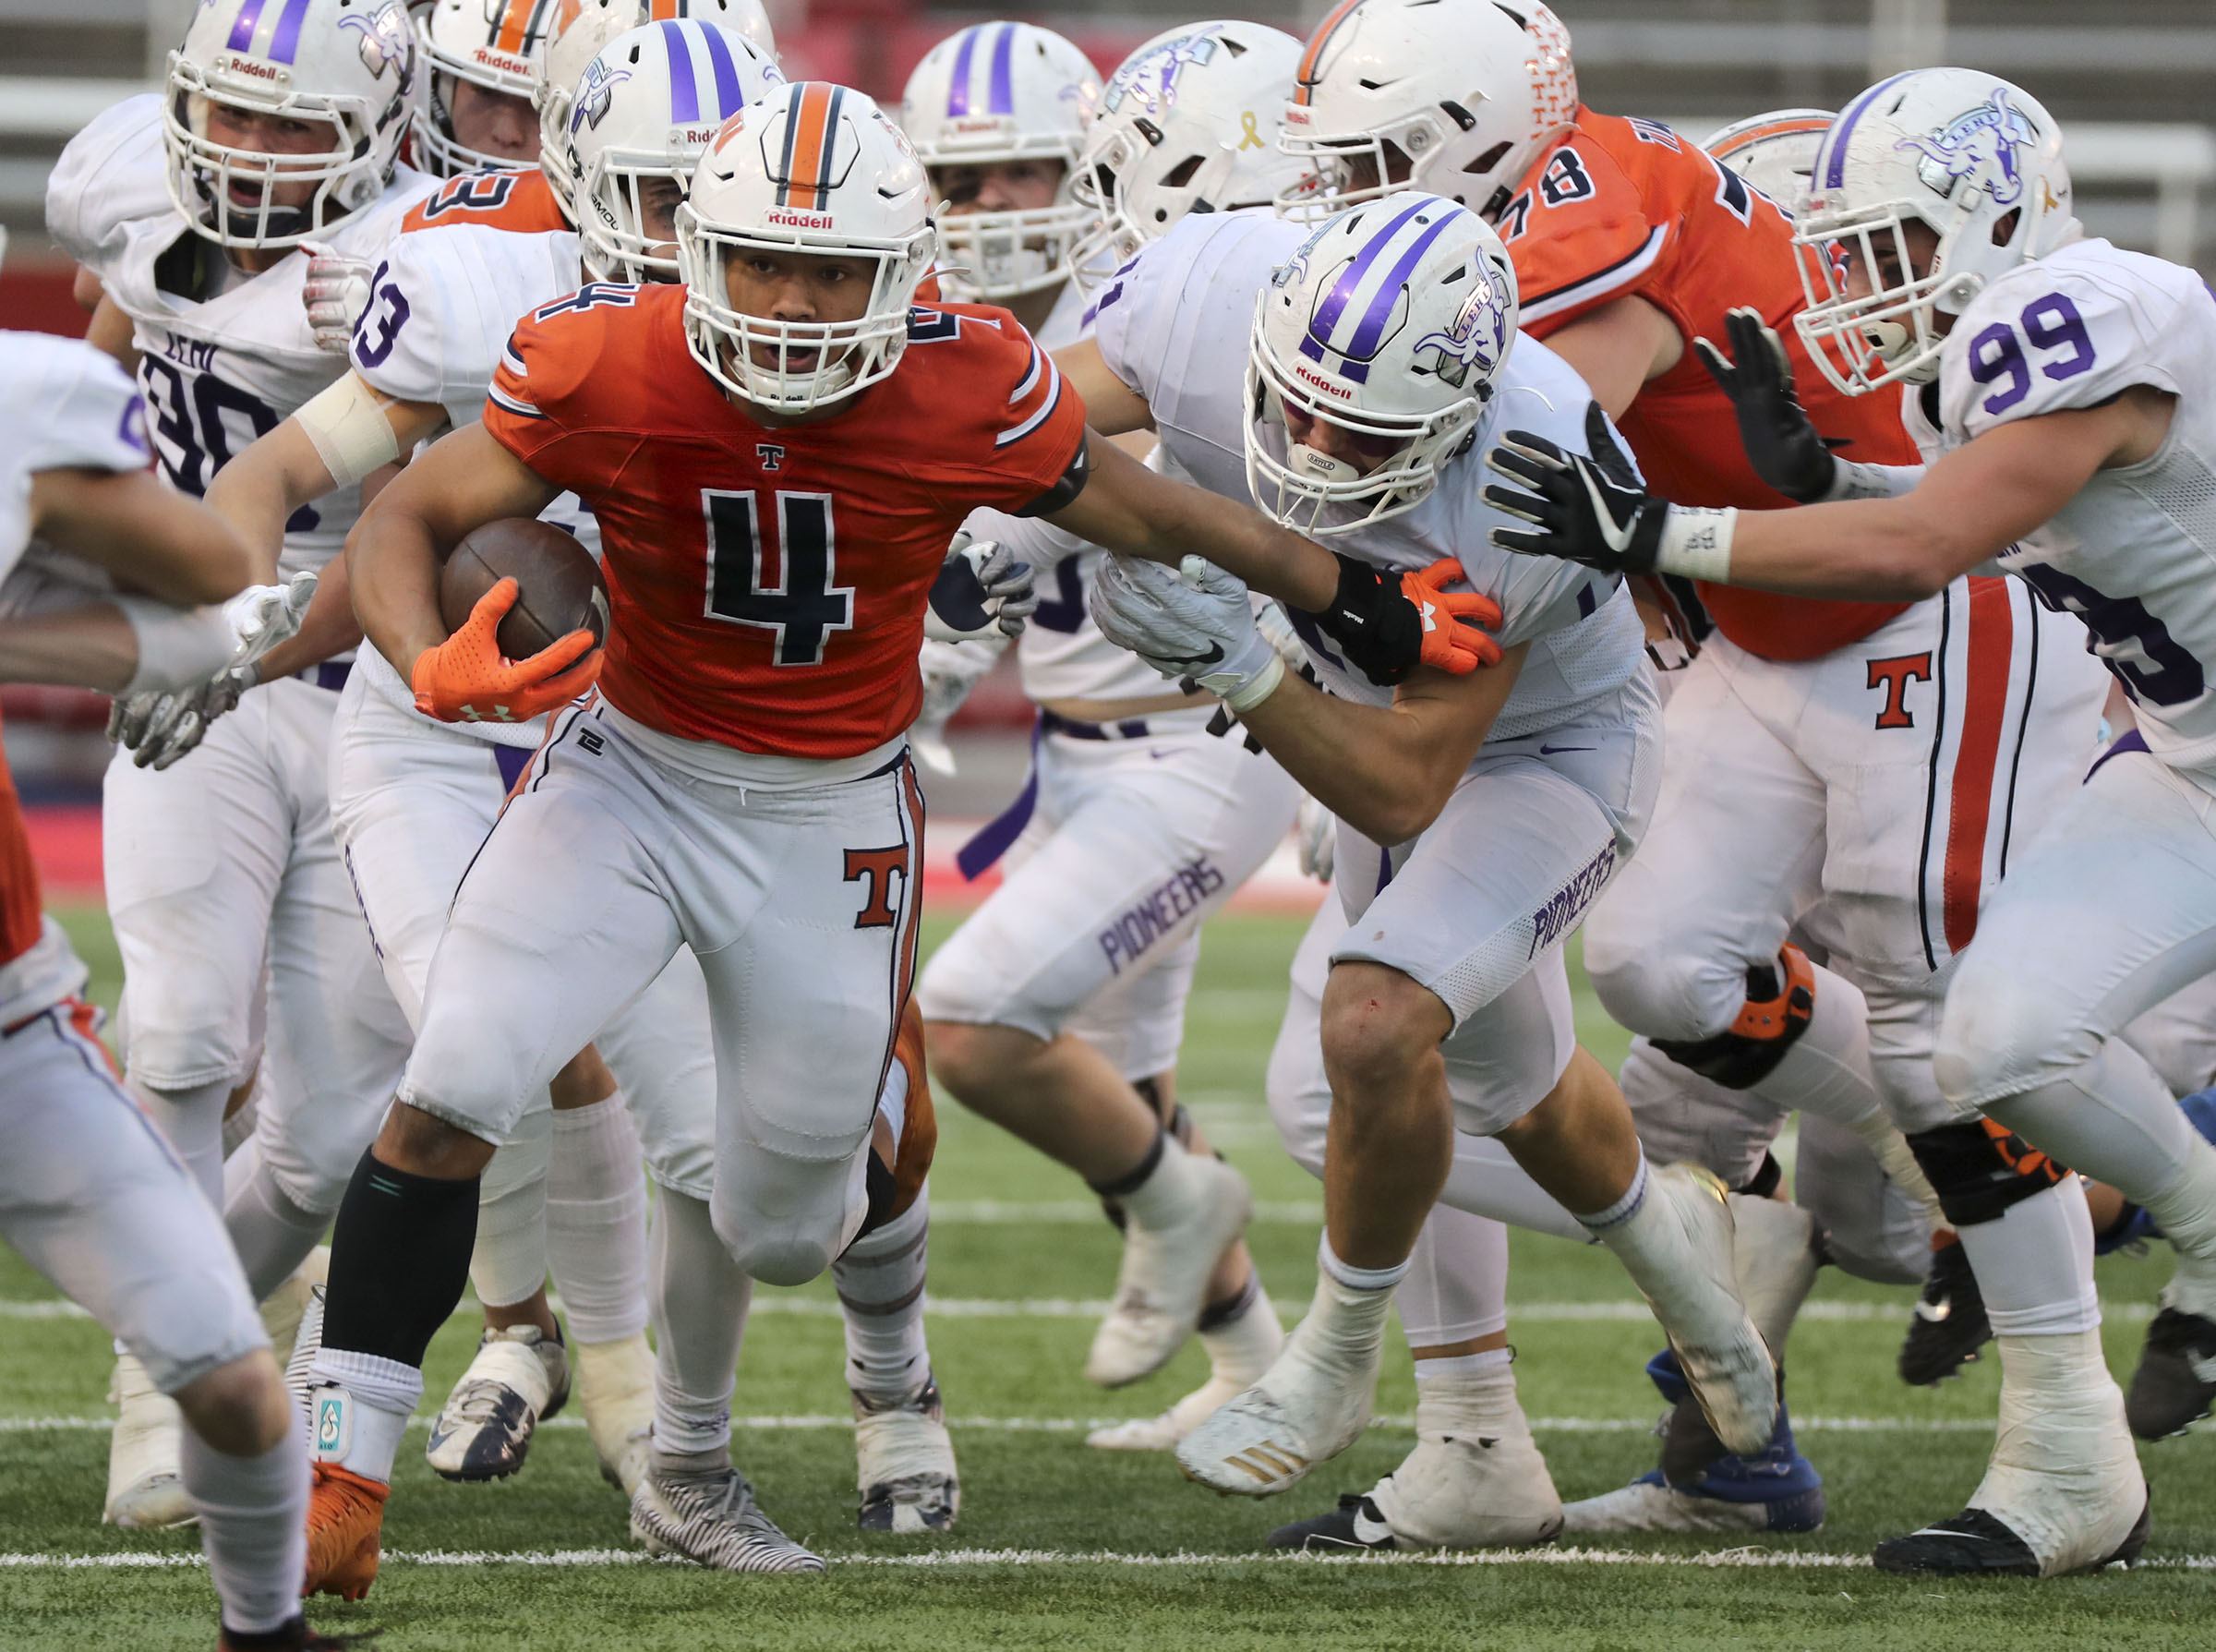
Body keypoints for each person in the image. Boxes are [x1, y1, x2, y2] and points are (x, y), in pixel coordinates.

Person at [298, 77, 1487, 1597]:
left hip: (830, 808)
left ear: (903, 273)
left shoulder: (965, 377)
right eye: (759, 262)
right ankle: (337, 1483)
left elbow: (1141, 509)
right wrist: (425, 659)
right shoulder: (608, 357)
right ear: (697, 252)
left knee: (786, 1224)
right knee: (454, 1079)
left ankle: (718, 1435)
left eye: (831, 271)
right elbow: (405, 514)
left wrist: (1355, 593)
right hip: (629, 777)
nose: (791, 306)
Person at [1281, 0, 2116, 1537]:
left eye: (1367, 160)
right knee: (1659, 963)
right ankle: (1896, 1183)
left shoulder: (1592, 209)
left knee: (1942, 1024)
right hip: (1752, 627)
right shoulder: (1529, 204)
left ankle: (2072, 1438)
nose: (1338, 193)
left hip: (1925, 608)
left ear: (1475, 135)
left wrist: (1310, 628)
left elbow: (1512, 462)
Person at [1481, 66, 2216, 1577]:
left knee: (1946, 1024)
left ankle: (2099, 1385)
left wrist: (1663, 526)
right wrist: (1829, 471)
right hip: (2185, 763)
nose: (1858, 286)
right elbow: (1968, 501)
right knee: (1986, 1047)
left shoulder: (2088, 309)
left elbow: (1931, 541)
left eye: (1891, 246)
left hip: (2097, 713)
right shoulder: (1989, 363)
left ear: (2000, 212)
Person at [1049, 185, 1777, 1513]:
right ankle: (1674, 1247)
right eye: (1297, 404)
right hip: (1360, 698)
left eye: (1368, 431)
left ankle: (1335, 1357)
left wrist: (1239, 663)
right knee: (1526, 1098)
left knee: (1374, 1021)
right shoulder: (1207, 289)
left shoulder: (1534, 470)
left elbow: (1404, 789)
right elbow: (1028, 429)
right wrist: (995, 535)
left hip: (1545, 753)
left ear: (1463, 411)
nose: (1318, 447)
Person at [42, 0, 433, 1528]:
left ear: (375, 136)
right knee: (182, 1030)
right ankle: (159, 1391)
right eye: (231, 114)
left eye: (290, 125)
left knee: (326, 1136)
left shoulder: (415, 254)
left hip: (362, 686)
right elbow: (111, 349)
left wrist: (233, 637)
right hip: (196, 670)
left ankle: (194, 1332)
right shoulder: (125, 179)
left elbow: (434, 513)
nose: (249, 152)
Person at [905, 17, 1304, 1450]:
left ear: (1086, 172)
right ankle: (1254, 1361)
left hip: (1207, 736)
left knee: (979, 1021)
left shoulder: (1146, 304)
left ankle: (1188, 1205)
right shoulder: (929, 317)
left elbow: (1128, 490)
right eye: (959, 180)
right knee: (1119, 1094)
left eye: (1020, 172)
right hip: (1076, 748)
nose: (990, 207)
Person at [0, 327, 338, 1652]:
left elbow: (209, 585)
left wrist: (38, 632)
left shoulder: (19, 404)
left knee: (238, 1389)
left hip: (12, 1030)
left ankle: (267, 1633)